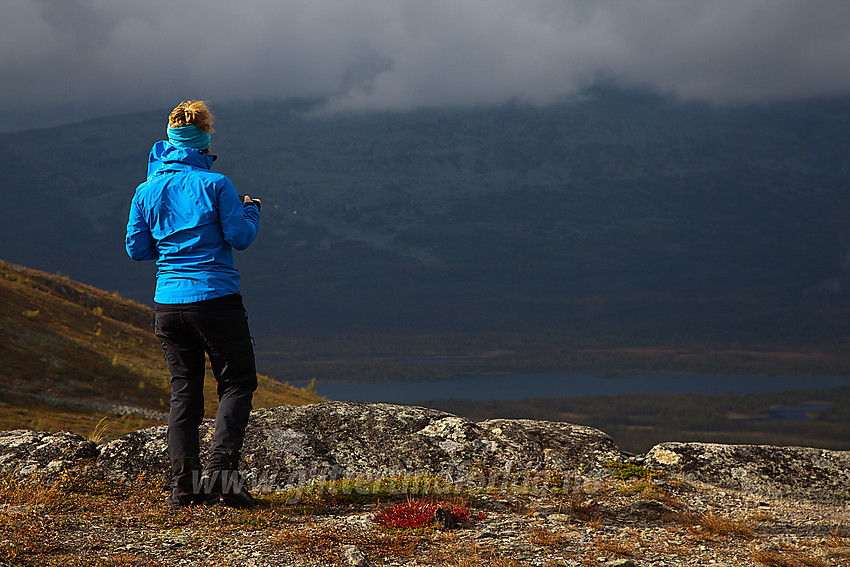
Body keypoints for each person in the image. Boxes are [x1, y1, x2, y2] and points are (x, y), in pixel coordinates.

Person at [125, 100, 261, 509]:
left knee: (184, 392)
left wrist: (171, 244)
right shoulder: (217, 184)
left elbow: (136, 249)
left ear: (170, 139)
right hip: (216, 298)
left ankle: (183, 488)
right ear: (203, 141)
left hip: (168, 303)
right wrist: (251, 211)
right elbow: (240, 238)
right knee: (236, 383)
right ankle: (222, 473)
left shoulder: (145, 190)